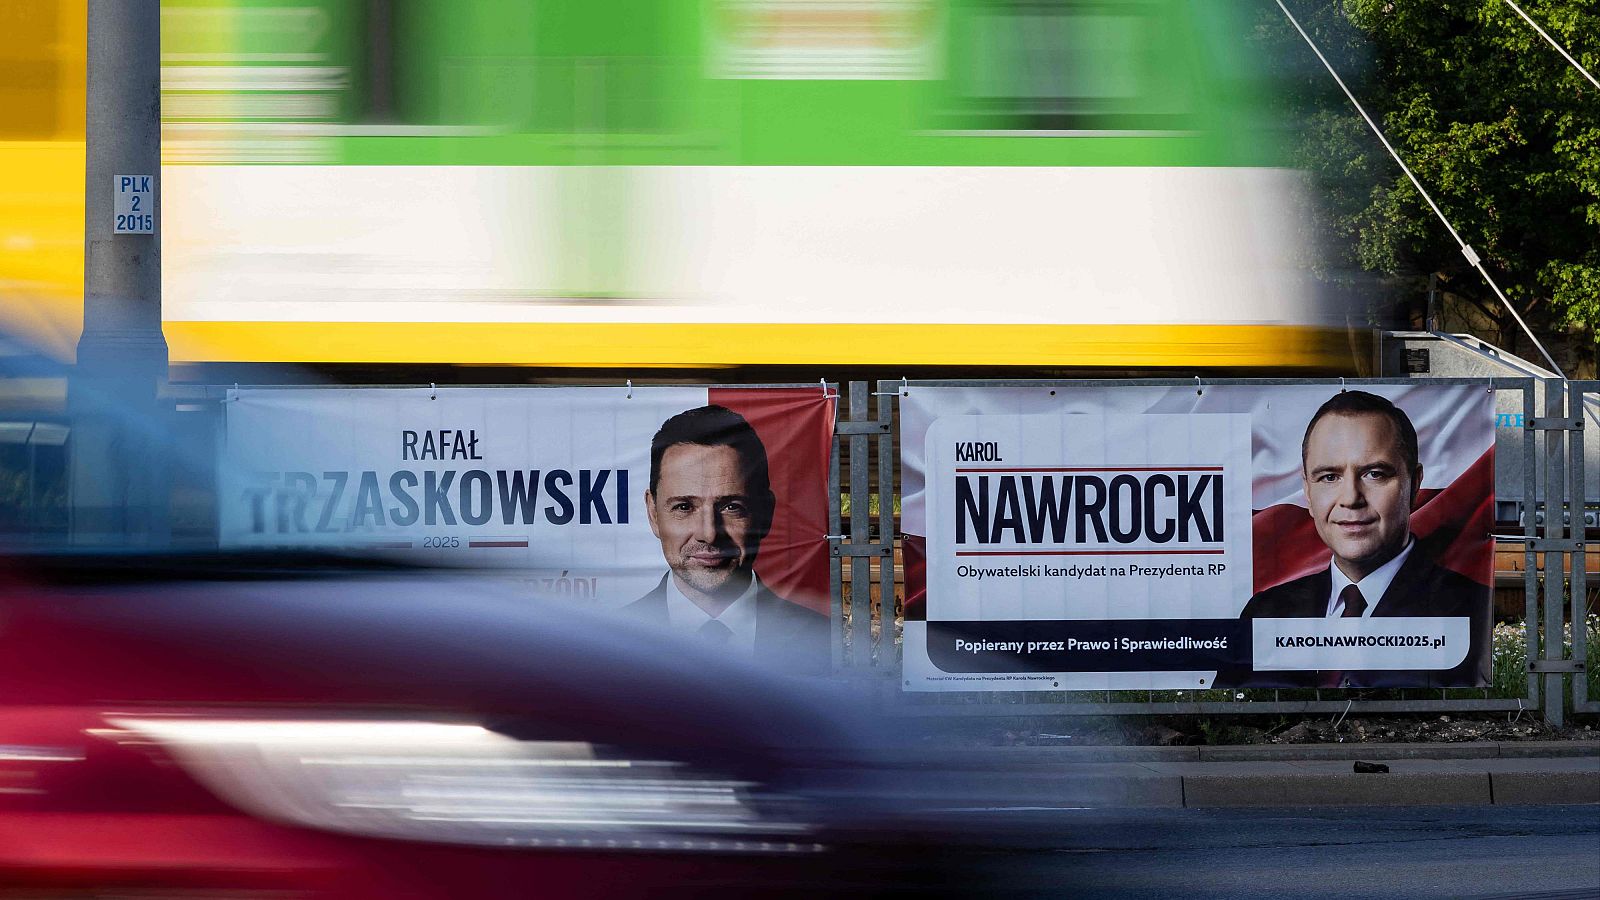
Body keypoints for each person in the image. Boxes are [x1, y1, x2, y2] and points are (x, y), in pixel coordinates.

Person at [1215, 391, 1490, 689]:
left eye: (1374, 474)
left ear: (1414, 485)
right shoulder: (1266, 611)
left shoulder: (1471, 607)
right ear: (1307, 492)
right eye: (1329, 477)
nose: (1351, 499)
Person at [624, 404, 829, 675]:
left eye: (731, 507)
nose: (708, 534)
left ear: (765, 512)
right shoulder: (607, 641)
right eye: (684, 507)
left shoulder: (822, 639)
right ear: (653, 513)